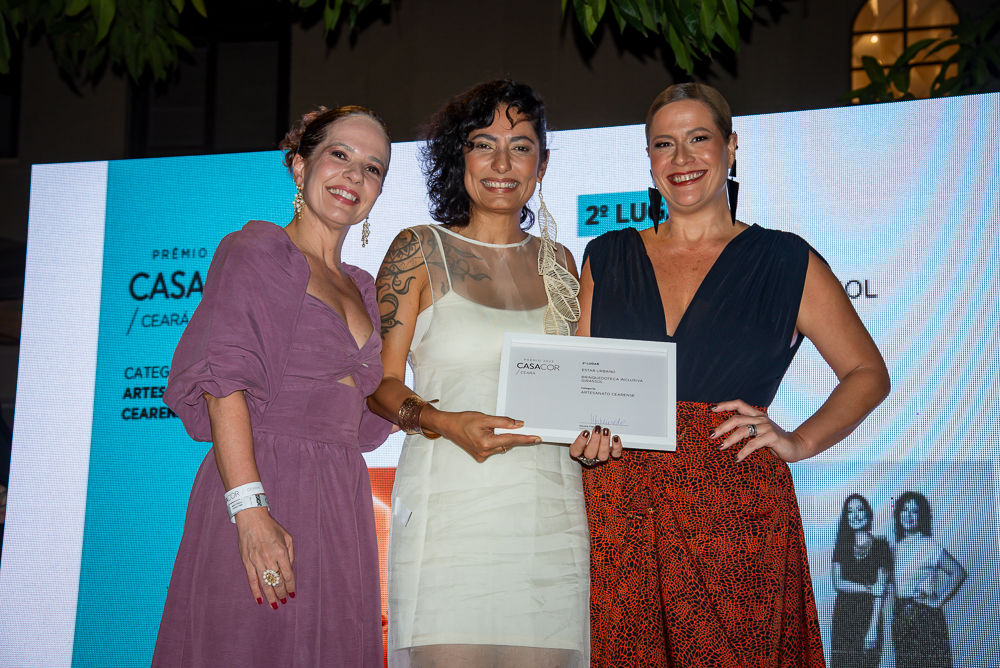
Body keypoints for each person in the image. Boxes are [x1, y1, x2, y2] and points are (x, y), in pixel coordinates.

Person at [573, 82, 892, 668]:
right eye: (664, 145)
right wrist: (585, 440)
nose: (682, 159)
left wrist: (798, 440)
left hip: (733, 504)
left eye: (699, 139)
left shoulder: (785, 259)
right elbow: (581, 387)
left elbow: (867, 372)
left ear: (732, 146)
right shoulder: (606, 256)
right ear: (649, 159)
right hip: (622, 501)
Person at [154, 106, 393, 667]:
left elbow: (366, 424)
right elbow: (223, 386)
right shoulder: (258, 251)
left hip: (341, 500)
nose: (354, 177)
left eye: (373, 168)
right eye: (340, 156)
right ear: (298, 166)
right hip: (264, 483)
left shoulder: (363, 288)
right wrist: (251, 512)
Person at [368, 80, 589, 668]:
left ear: (542, 163)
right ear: (456, 156)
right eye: (482, 143)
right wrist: (444, 421)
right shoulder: (419, 248)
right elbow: (380, 387)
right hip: (451, 511)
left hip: (549, 516)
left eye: (520, 147)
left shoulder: (562, 263)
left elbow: (582, 386)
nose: (501, 163)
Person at [891, 491, 965, 668]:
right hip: (900, 615)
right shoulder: (894, 548)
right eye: (904, 510)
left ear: (921, 516)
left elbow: (958, 572)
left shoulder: (928, 545)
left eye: (914, 511)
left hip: (925, 616)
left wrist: (938, 601)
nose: (908, 515)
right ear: (898, 514)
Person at [830, 494, 891, 668]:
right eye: (850, 511)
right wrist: (868, 588)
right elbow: (838, 583)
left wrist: (872, 630)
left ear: (868, 513)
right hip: (843, 619)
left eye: (860, 509)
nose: (855, 516)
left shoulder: (881, 546)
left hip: (868, 618)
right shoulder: (842, 545)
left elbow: (880, 593)